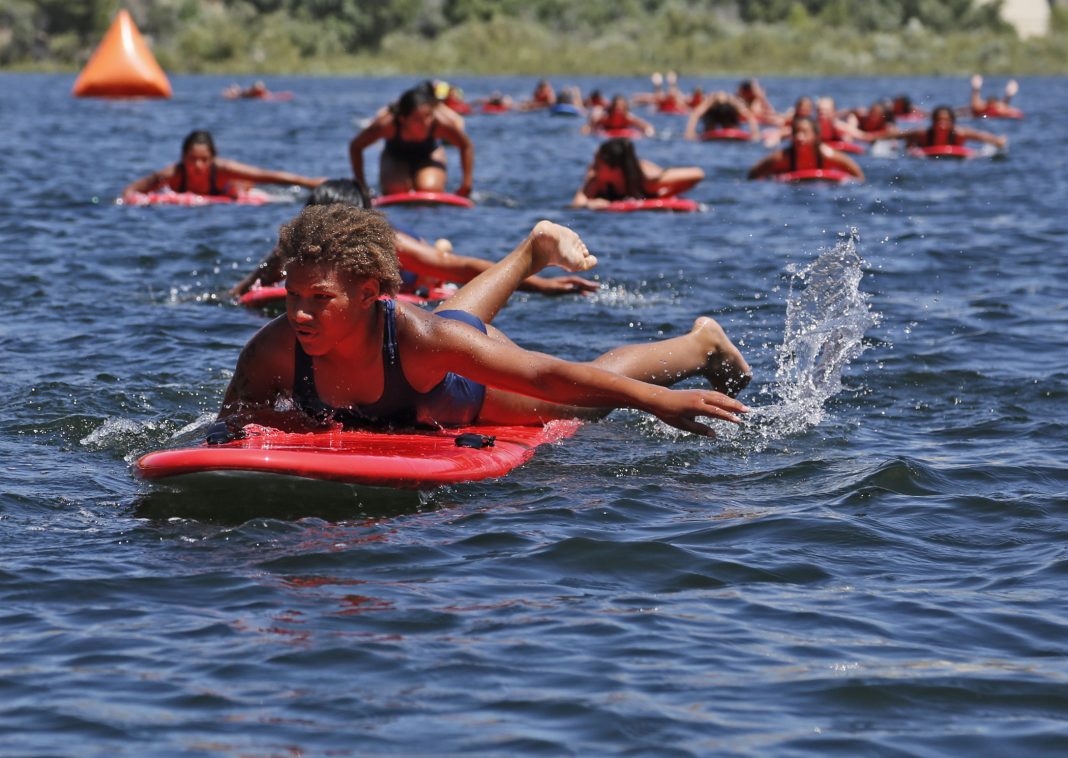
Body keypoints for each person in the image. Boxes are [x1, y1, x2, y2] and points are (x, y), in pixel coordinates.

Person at [217, 206, 750, 436]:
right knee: (453, 323)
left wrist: (658, 401)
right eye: (292, 296)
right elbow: (229, 427)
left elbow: (545, 374)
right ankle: (533, 249)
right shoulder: (273, 350)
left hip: (456, 386)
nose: (300, 313)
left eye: (319, 298)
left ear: (369, 294)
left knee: (583, 405)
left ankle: (700, 344)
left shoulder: (420, 340)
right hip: (442, 337)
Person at [231, 179, 598, 298]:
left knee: (435, 265)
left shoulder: (385, 243)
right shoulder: (301, 245)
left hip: (409, 278)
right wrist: (241, 294)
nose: (329, 235)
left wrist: (544, 286)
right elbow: (263, 273)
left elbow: (464, 268)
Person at [349, 82, 474, 197]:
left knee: (429, 189)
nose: (426, 123)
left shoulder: (439, 123)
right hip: (395, 155)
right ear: (403, 119)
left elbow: (466, 145)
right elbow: (356, 146)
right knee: (396, 190)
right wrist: (361, 186)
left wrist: (466, 185)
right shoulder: (387, 125)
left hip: (430, 155)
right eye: (417, 119)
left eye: (428, 116)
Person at [122, 130, 325, 199]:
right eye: (192, 159)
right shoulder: (172, 174)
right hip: (191, 200)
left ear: (212, 159)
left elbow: (265, 175)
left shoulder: (222, 169)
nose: (198, 165)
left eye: (204, 160)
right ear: (183, 158)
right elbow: (132, 189)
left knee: (242, 185)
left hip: (229, 191)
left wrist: (307, 182)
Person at [570, 138, 704, 208]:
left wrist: (663, 193)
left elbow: (697, 174)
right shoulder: (597, 181)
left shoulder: (646, 178)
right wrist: (589, 204)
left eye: (598, 164)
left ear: (614, 168)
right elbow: (576, 204)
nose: (592, 167)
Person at [747, 117, 865, 180]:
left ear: (816, 136)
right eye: (796, 133)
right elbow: (753, 174)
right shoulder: (782, 158)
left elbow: (858, 175)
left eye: (804, 132)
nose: (799, 137)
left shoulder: (827, 155)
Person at [879, 105, 1007, 150]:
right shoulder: (922, 132)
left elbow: (981, 136)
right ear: (933, 121)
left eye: (946, 120)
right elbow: (898, 135)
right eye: (939, 120)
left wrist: (997, 141)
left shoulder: (960, 133)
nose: (942, 123)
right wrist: (873, 138)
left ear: (952, 122)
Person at [684, 92, 759, 141]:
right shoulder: (748, 138)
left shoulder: (705, 138)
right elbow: (750, 117)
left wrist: (708, 102)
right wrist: (733, 101)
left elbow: (694, 115)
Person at [583, 95, 654, 137]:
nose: (618, 109)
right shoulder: (605, 118)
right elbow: (588, 127)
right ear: (612, 108)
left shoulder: (628, 118)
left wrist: (647, 133)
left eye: (621, 107)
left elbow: (647, 127)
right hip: (606, 132)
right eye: (616, 106)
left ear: (625, 109)